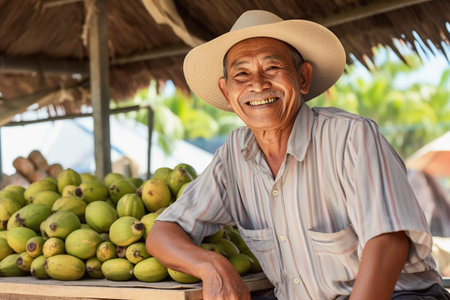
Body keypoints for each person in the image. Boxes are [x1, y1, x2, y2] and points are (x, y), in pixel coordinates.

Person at [146, 10, 450, 300]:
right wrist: (212, 266)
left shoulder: (350, 137)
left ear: (303, 78)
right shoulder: (233, 156)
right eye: (241, 73)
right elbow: (163, 232)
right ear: (226, 92)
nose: (257, 83)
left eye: (272, 68)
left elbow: (388, 241)